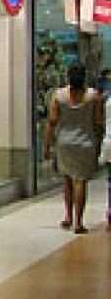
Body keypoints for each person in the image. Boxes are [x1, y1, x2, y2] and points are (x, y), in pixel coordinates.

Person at [45, 63, 104, 233]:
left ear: (68, 76)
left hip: (64, 143)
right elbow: (98, 122)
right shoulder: (93, 96)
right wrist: (99, 143)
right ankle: (78, 222)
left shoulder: (59, 95)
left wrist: (47, 145)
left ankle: (68, 216)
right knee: (80, 181)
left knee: (67, 180)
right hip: (85, 143)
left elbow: (52, 122)